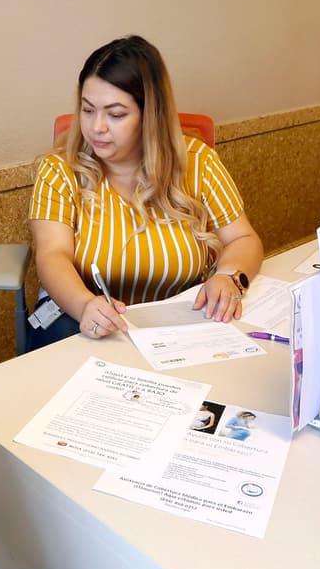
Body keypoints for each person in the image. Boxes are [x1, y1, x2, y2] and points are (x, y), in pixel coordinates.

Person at [26, 35, 263, 351]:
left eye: (116, 114)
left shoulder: (198, 162)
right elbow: (51, 255)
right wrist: (84, 304)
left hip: (176, 330)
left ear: (150, 115)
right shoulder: (59, 169)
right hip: (82, 324)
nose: (96, 127)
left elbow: (243, 239)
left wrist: (229, 278)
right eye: (87, 109)